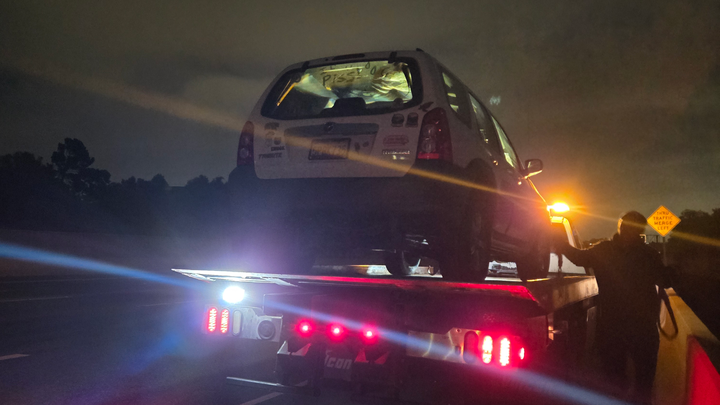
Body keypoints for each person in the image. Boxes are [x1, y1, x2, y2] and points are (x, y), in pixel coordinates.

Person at [555, 211, 671, 404]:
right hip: (634, 326)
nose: (630, 231)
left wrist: (559, 241)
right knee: (637, 378)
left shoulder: (607, 250)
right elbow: (666, 280)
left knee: (621, 377)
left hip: (619, 325)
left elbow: (578, 257)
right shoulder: (647, 254)